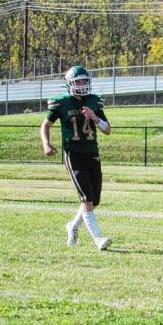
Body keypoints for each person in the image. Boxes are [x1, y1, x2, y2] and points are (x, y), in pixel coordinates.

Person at [40, 65, 113, 251]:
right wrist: (46, 144)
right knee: (86, 197)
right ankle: (98, 240)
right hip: (74, 154)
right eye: (78, 81)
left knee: (94, 200)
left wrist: (94, 117)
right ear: (70, 84)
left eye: (84, 81)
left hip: (92, 153)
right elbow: (45, 125)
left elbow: (107, 130)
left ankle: (72, 226)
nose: (82, 84)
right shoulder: (62, 102)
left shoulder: (94, 101)